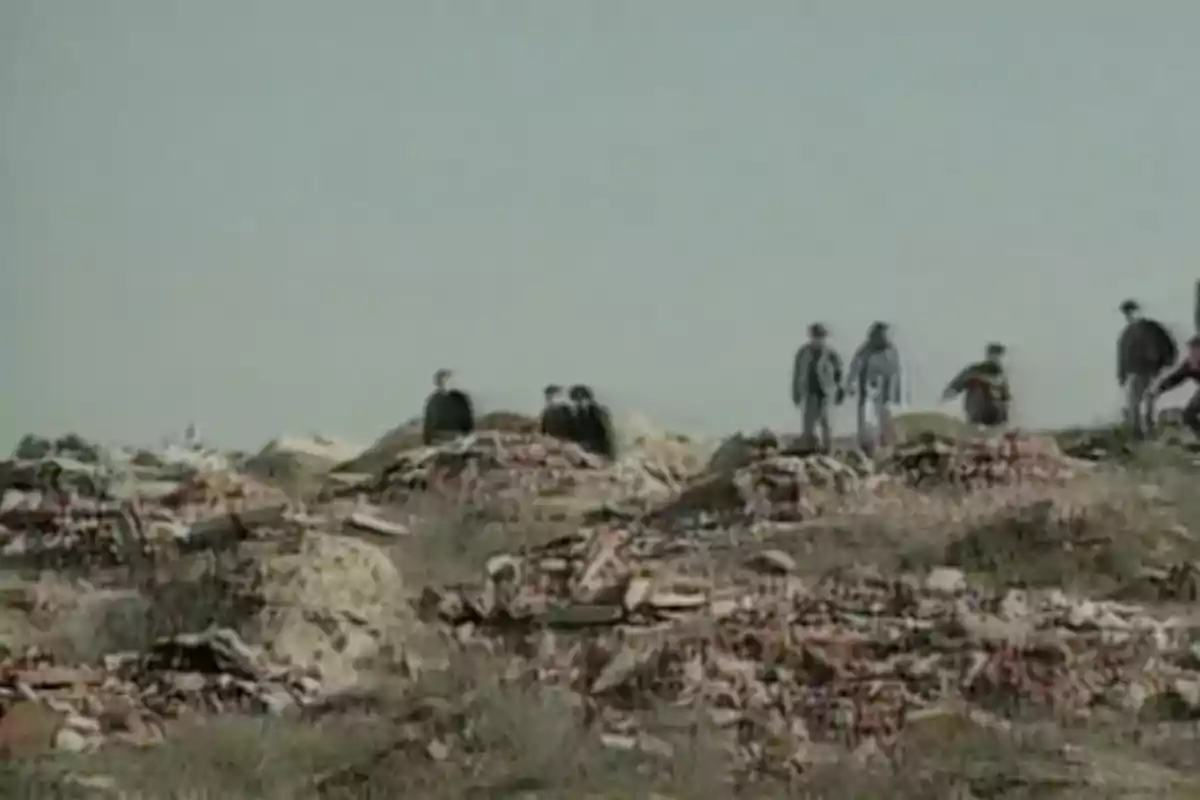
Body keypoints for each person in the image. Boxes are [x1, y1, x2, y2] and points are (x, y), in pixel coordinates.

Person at [1117, 299, 1178, 439]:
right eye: (1127, 313)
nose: (1130, 315)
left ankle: (1145, 431)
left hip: (1152, 371)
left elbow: (1168, 346)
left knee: (1144, 400)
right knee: (1137, 401)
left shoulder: (1152, 329)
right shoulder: (1127, 334)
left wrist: (1167, 365)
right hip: (1137, 373)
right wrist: (1122, 376)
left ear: (1137, 311)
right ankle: (1139, 432)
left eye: (1131, 312)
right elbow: (1123, 356)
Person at [846, 321, 902, 452]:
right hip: (868, 394)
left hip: (887, 396)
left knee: (887, 424)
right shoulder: (865, 350)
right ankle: (868, 450)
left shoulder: (892, 351)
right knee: (868, 425)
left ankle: (886, 449)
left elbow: (897, 373)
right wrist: (851, 384)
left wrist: (898, 395)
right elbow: (855, 367)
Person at [791, 323, 845, 452]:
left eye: (821, 337)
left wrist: (839, 389)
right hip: (809, 392)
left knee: (826, 423)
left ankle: (828, 450)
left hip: (825, 392)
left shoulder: (830, 353)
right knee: (808, 423)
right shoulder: (803, 353)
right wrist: (796, 393)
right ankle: (809, 449)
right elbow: (797, 373)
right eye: (816, 336)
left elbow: (839, 372)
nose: (818, 340)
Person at [942, 342, 1011, 429]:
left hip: (998, 422)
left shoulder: (1008, 376)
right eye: (994, 355)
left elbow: (1010, 399)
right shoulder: (974, 371)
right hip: (977, 419)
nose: (996, 359)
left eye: (998, 355)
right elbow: (953, 389)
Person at [1149, 335, 1200, 438]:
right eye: (1190, 353)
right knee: (1188, 414)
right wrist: (1158, 389)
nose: (1191, 356)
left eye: (1195, 353)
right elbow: (1175, 378)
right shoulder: (1189, 366)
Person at [422, 368, 475, 446]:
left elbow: (468, 423)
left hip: (456, 439)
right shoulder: (433, 401)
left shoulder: (432, 401)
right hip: (445, 440)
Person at [567, 384, 615, 458]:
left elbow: (608, 435)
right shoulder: (575, 416)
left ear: (589, 399)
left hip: (599, 450)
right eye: (576, 400)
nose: (579, 403)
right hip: (583, 450)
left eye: (582, 399)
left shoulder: (598, 413)